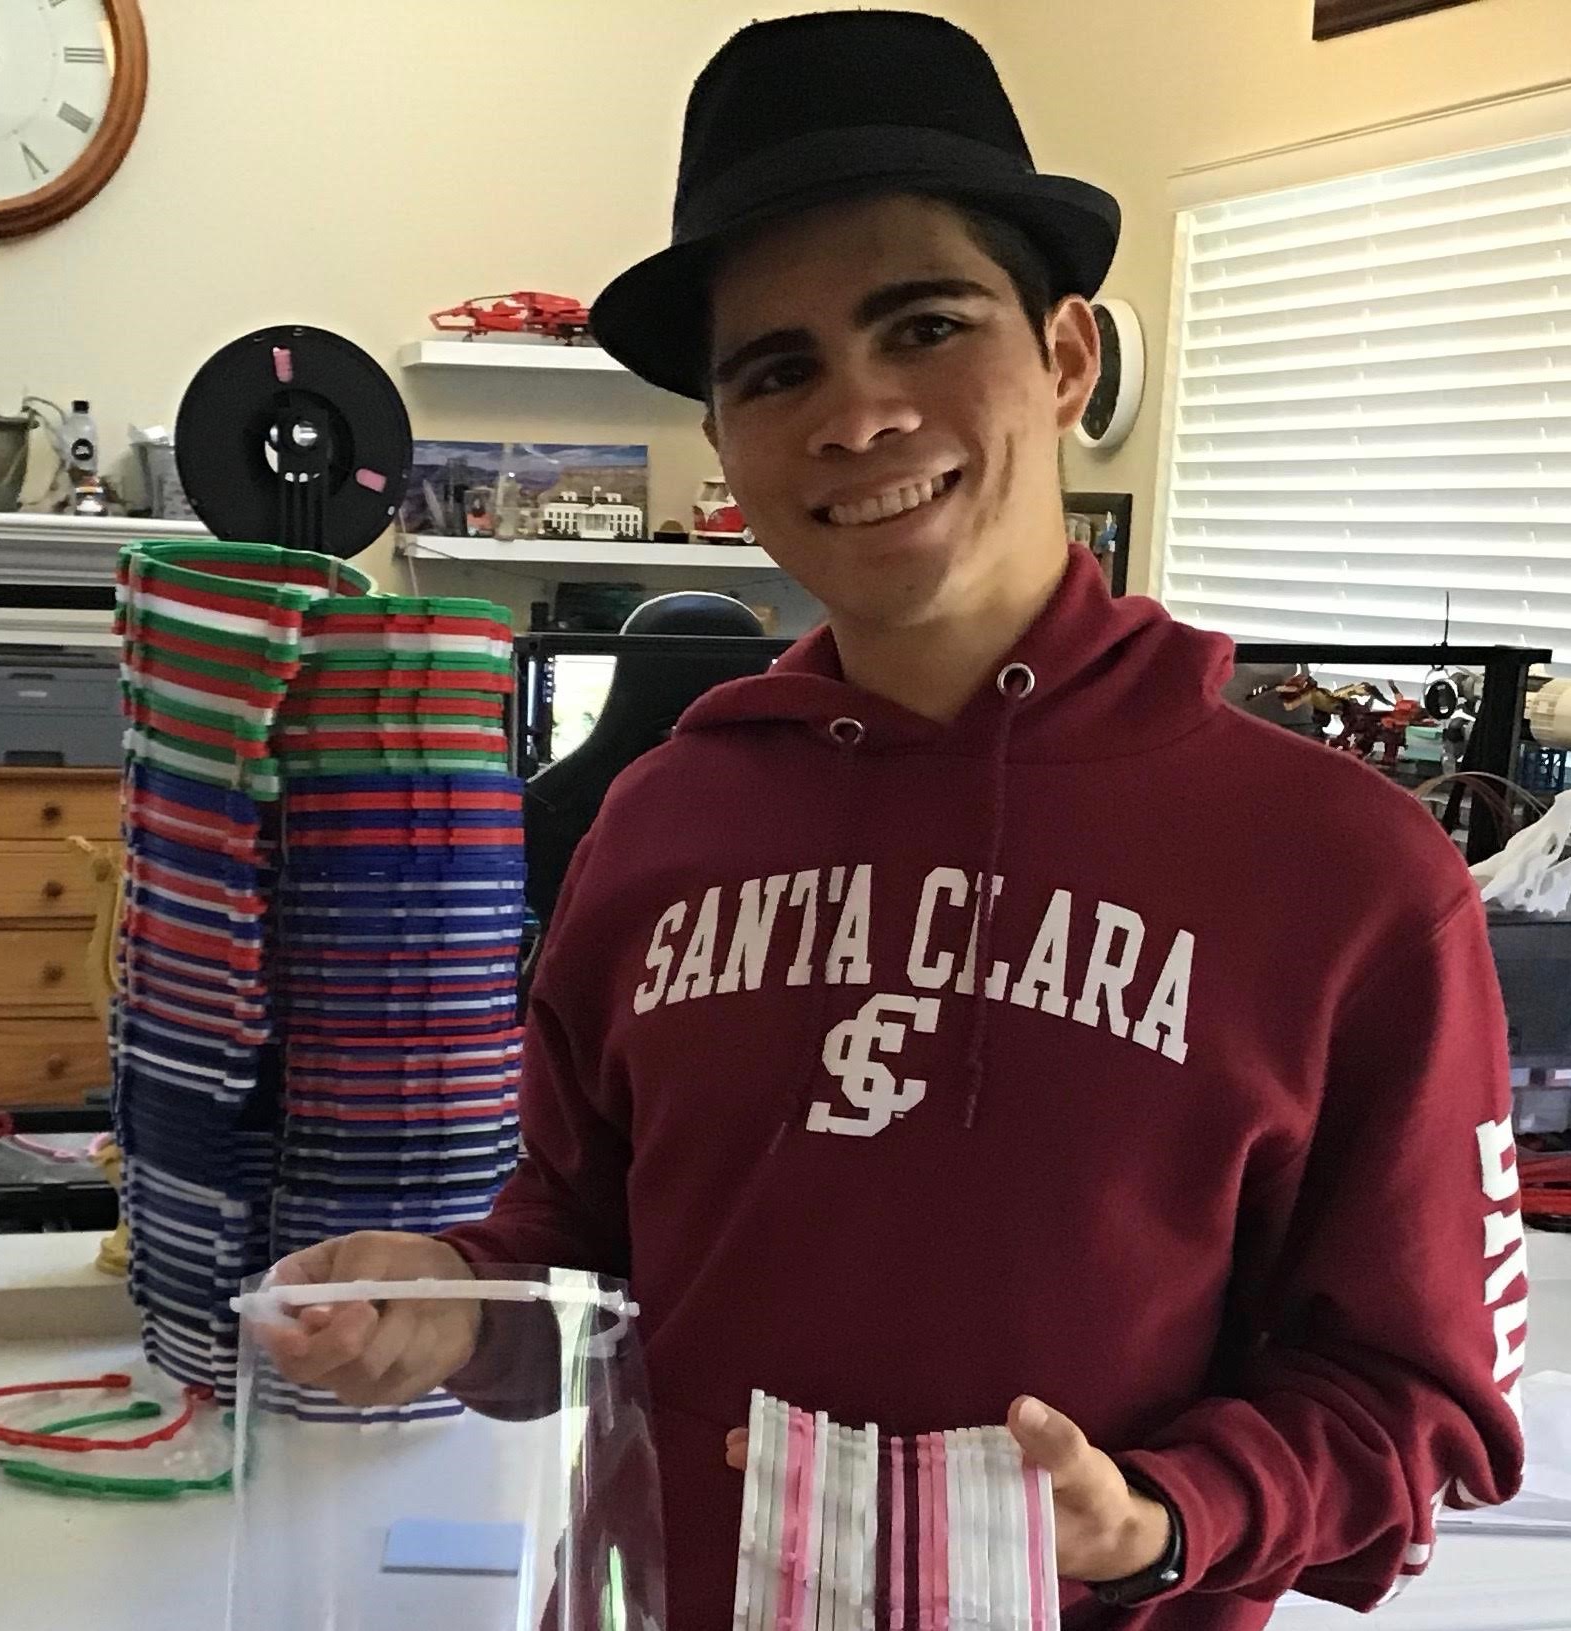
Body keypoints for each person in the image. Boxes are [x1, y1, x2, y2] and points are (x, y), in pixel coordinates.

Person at [263, 12, 1527, 1627]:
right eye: (776, 368)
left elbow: (1424, 1406)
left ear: (1066, 357)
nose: (855, 416)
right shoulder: (654, 833)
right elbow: (581, 1265)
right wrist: (445, 1304)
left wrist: (1153, 1514)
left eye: (922, 326)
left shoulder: (1347, 878)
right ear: (724, 442)